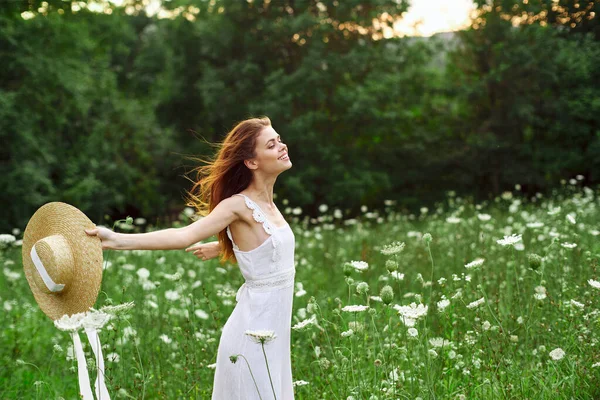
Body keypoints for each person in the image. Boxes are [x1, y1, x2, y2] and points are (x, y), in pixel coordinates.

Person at [84, 116, 296, 399]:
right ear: (252, 162)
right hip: (251, 337)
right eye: (271, 145)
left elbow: (267, 252)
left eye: (279, 140)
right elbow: (184, 236)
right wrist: (117, 240)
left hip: (275, 338)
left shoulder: (268, 205)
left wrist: (225, 248)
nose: (282, 146)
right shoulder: (237, 205)